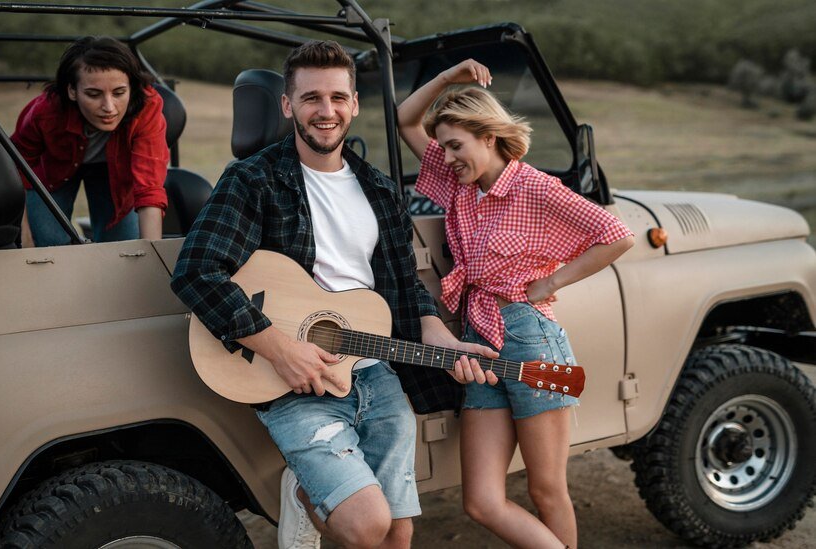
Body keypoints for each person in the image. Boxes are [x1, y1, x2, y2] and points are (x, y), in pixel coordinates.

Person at [170, 41, 496, 549]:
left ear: (355, 103)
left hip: (374, 370)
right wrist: (282, 349)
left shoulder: (381, 190)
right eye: (311, 99)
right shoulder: (254, 179)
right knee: (365, 527)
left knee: (399, 531)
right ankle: (306, 495)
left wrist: (442, 341)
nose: (327, 112)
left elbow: (405, 289)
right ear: (287, 105)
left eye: (338, 98)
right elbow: (196, 273)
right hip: (291, 380)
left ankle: (320, 490)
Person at [398, 59, 635, 549]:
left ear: (488, 136)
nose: (447, 156)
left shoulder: (536, 187)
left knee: (547, 490)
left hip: (531, 338)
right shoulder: (459, 186)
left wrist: (551, 283)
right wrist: (447, 80)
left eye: (456, 145)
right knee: (481, 501)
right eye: (442, 146)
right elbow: (404, 119)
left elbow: (617, 235)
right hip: (480, 342)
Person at [11, 36, 168, 247]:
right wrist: (25, 236)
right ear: (72, 91)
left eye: (119, 92)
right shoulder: (44, 113)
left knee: (122, 248)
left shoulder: (148, 108)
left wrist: (152, 255)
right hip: (52, 172)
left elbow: (149, 188)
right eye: (94, 94)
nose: (109, 107)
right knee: (50, 246)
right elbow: (17, 168)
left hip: (115, 172)